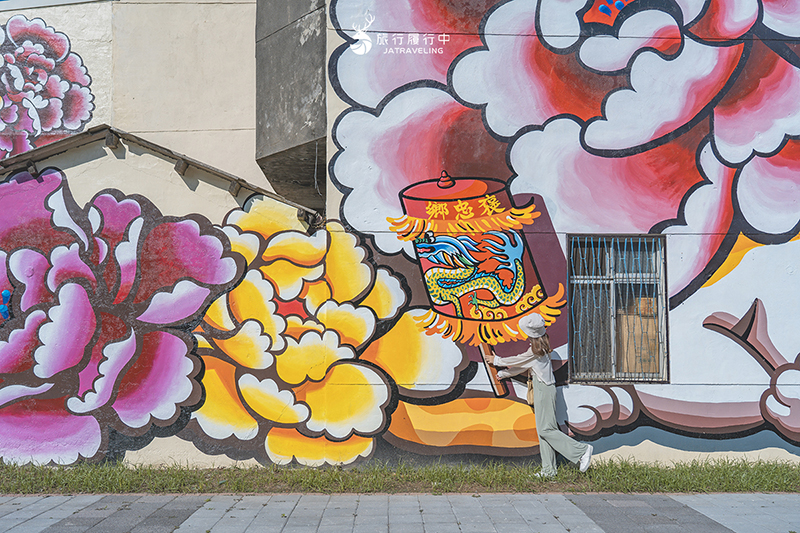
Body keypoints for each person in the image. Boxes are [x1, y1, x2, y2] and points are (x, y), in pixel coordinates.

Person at [488, 313, 592, 477]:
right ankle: (549, 470)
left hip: (544, 390)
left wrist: (497, 361)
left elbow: (518, 360)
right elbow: (525, 364)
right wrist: (504, 375)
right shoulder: (540, 349)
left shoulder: (535, 352)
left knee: (545, 430)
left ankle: (581, 451)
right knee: (544, 430)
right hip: (543, 389)